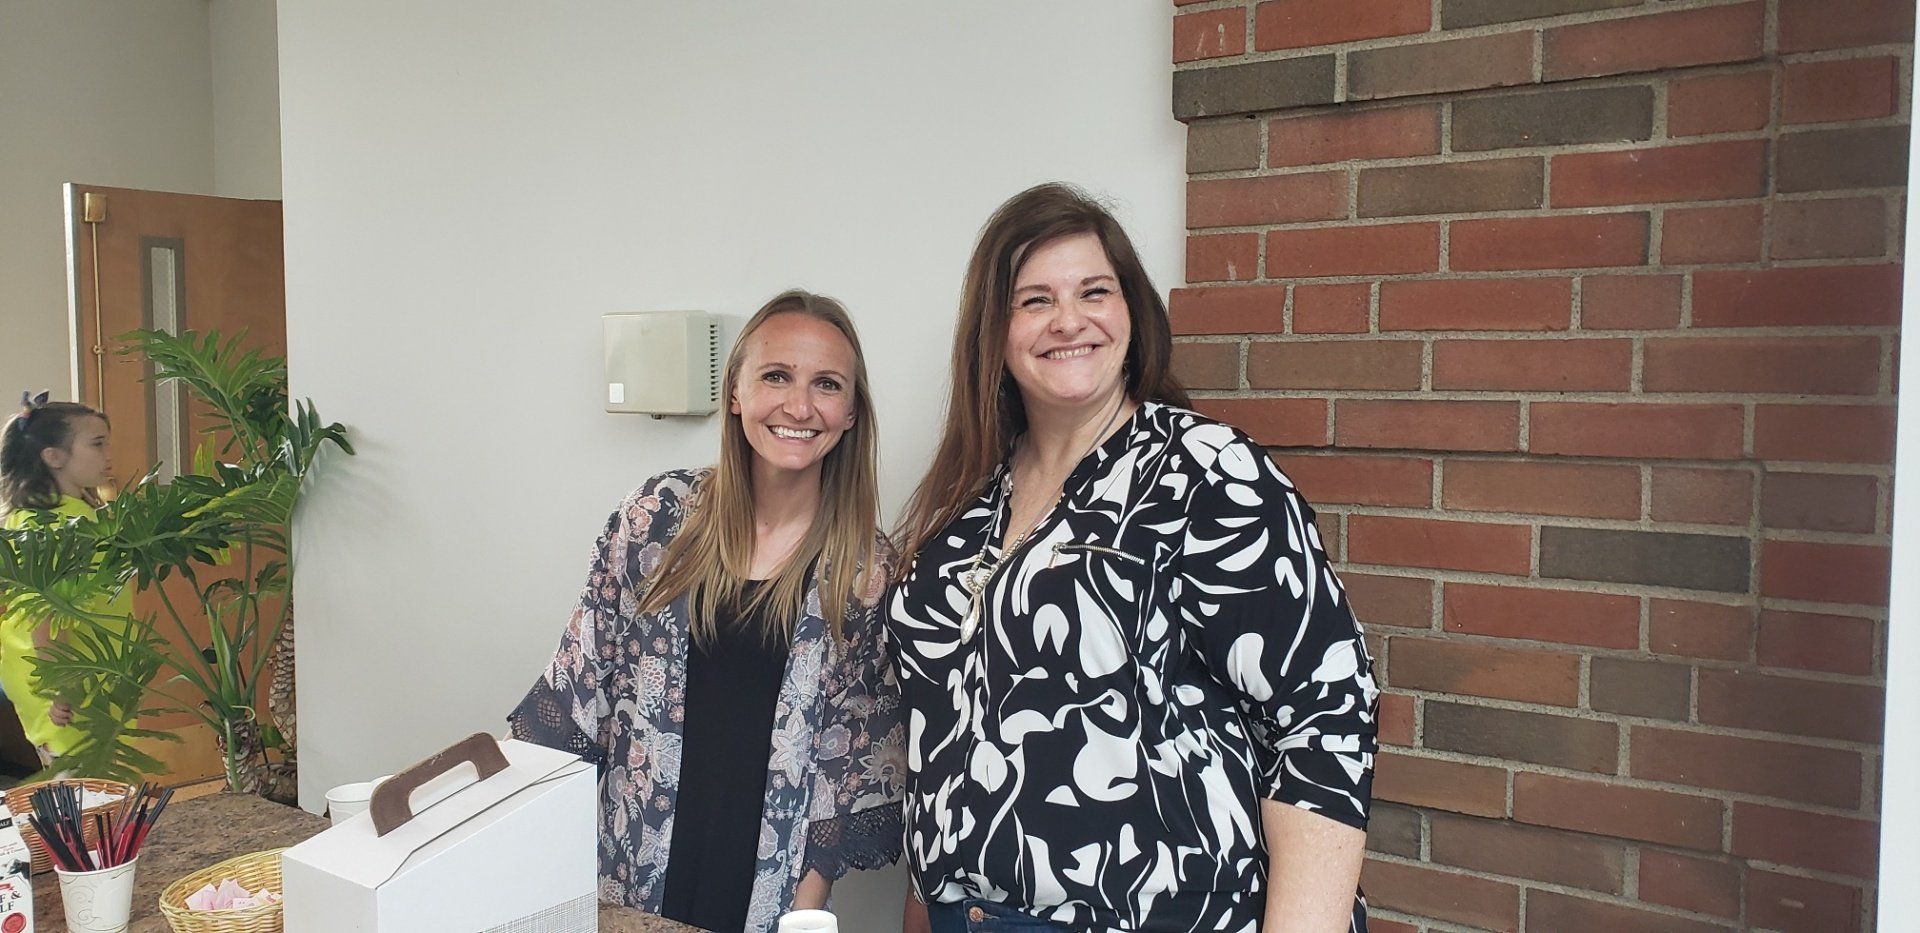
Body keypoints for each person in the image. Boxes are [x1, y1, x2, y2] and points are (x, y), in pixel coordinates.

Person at [890, 185, 1379, 933]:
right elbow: (942, 733)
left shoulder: (1201, 473)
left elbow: (1324, 711)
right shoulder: (967, 502)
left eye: (1094, 290)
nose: (1069, 320)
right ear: (994, 329)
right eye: (1034, 300)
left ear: (1132, 310)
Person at [510, 290, 906, 933]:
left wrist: (801, 917)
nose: (799, 406)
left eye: (826, 384)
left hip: (767, 890)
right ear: (736, 393)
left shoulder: (864, 572)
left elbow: (848, 771)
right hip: (629, 873)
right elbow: (578, 689)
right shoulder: (657, 518)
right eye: (776, 376)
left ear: (852, 411)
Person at [0, 392, 127, 765]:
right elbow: (46, 614)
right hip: (69, 687)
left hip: (91, 674)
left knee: (92, 801)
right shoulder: (51, 526)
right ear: (53, 457)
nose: (108, 455)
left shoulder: (76, 513)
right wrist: (63, 685)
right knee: (84, 801)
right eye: (97, 444)